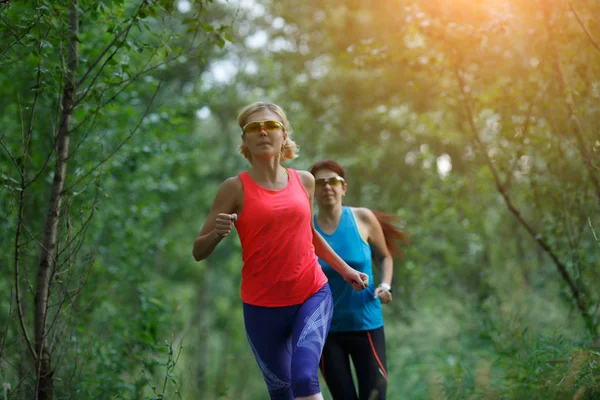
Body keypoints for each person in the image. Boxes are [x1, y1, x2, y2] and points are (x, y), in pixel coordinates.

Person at [192, 102, 369, 400]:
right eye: (253, 128)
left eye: (271, 125)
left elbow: (309, 235)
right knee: (282, 392)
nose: (263, 131)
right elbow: (198, 251)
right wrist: (217, 234)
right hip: (261, 307)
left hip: (310, 294)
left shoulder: (305, 180)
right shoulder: (234, 188)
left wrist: (346, 270)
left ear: (284, 135)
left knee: (303, 379)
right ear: (245, 140)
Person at [309, 160, 408, 400]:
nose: (327, 187)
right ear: (311, 191)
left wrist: (385, 285)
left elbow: (384, 256)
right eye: (319, 183)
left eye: (333, 181)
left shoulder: (362, 218)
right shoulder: (305, 227)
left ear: (344, 187)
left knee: (374, 396)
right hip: (326, 331)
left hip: (366, 325)